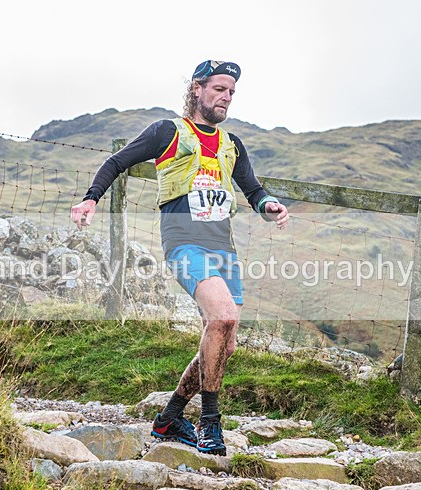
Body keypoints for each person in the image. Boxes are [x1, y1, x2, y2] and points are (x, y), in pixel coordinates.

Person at [70, 60, 289, 455]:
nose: (226, 98)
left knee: (224, 343)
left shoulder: (232, 144)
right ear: (197, 89)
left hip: (223, 247)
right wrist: (91, 198)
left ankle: (170, 416)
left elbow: (253, 189)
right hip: (183, 243)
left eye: (231, 93)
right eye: (219, 89)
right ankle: (210, 424)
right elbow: (117, 161)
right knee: (221, 318)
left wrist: (269, 205)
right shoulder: (168, 131)